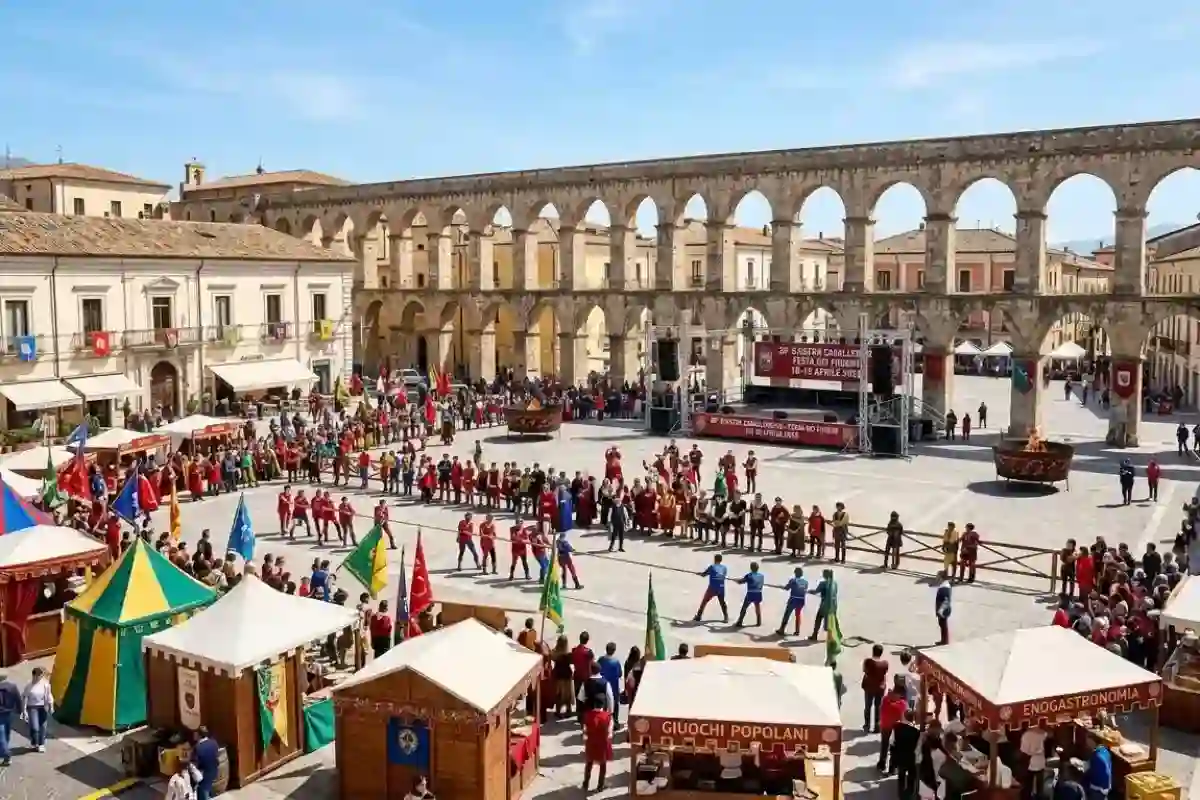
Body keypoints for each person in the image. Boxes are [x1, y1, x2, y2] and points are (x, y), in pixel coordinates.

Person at [23, 666, 53, 752]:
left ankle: (41, 744)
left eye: (40, 676)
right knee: (35, 727)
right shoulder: (29, 685)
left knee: (43, 726)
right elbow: (25, 697)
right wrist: (24, 710)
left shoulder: (45, 684)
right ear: (33, 675)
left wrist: (51, 706)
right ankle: (34, 741)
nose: (38, 677)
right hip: (32, 707)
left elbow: (48, 695)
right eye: (37, 676)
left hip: (43, 706)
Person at [694, 554, 729, 623]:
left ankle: (698, 616)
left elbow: (704, 574)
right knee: (722, 602)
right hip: (721, 587)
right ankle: (726, 617)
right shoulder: (724, 568)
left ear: (715, 559)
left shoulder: (712, 567)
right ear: (721, 560)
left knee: (704, 601)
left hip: (712, 588)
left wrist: (699, 574)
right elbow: (723, 576)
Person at [861, 644, 889, 733]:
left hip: (869, 687)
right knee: (878, 707)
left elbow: (865, 670)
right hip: (880, 688)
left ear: (873, 651)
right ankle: (877, 727)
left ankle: (867, 726)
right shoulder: (885, 663)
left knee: (868, 706)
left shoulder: (869, 662)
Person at [776, 567, 808, 637]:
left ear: (795, 573)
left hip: (793, 599)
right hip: (801, 600)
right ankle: (797, 631)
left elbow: (787, 588)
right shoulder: (806, 582)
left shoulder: (793, 580)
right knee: (798, 615)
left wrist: (781, 586)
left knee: (787, 614)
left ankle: (782, 629)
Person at [192, 726, 221, 800]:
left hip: (203, 775)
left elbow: (196, 763)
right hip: (214, 771)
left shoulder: (198, 747)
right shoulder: (214, 742)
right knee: (208, 790)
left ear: (198, 735)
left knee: (203, 795)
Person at [734, 561, 766, 627]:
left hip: (751, 594)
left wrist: (737, 581)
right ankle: (759, 621)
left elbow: (741, 582)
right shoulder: (761, 576)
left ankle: (740, 621)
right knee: (757, 606)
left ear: (751, 568)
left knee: (744, 607)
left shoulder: (749, 575)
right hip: (759, 593)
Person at [0, 671, 18, 766]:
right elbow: (17, 699)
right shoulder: (12, 686)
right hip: (9, 713)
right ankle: (5, 749)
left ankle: (6, 754)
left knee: (1, 736)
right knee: (6, 733)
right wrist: (20, 710)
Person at [935, 572, 952, 645]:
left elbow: (946, 600)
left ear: (941, 577)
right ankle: (944, 640)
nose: (937, 578)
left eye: (938, 577)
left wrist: (941, 611)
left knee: (943, 625)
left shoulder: (944, 588)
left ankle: (945, 641)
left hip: (943, 609)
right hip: (943, 608)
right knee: (942, 625)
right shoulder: (944, 585)